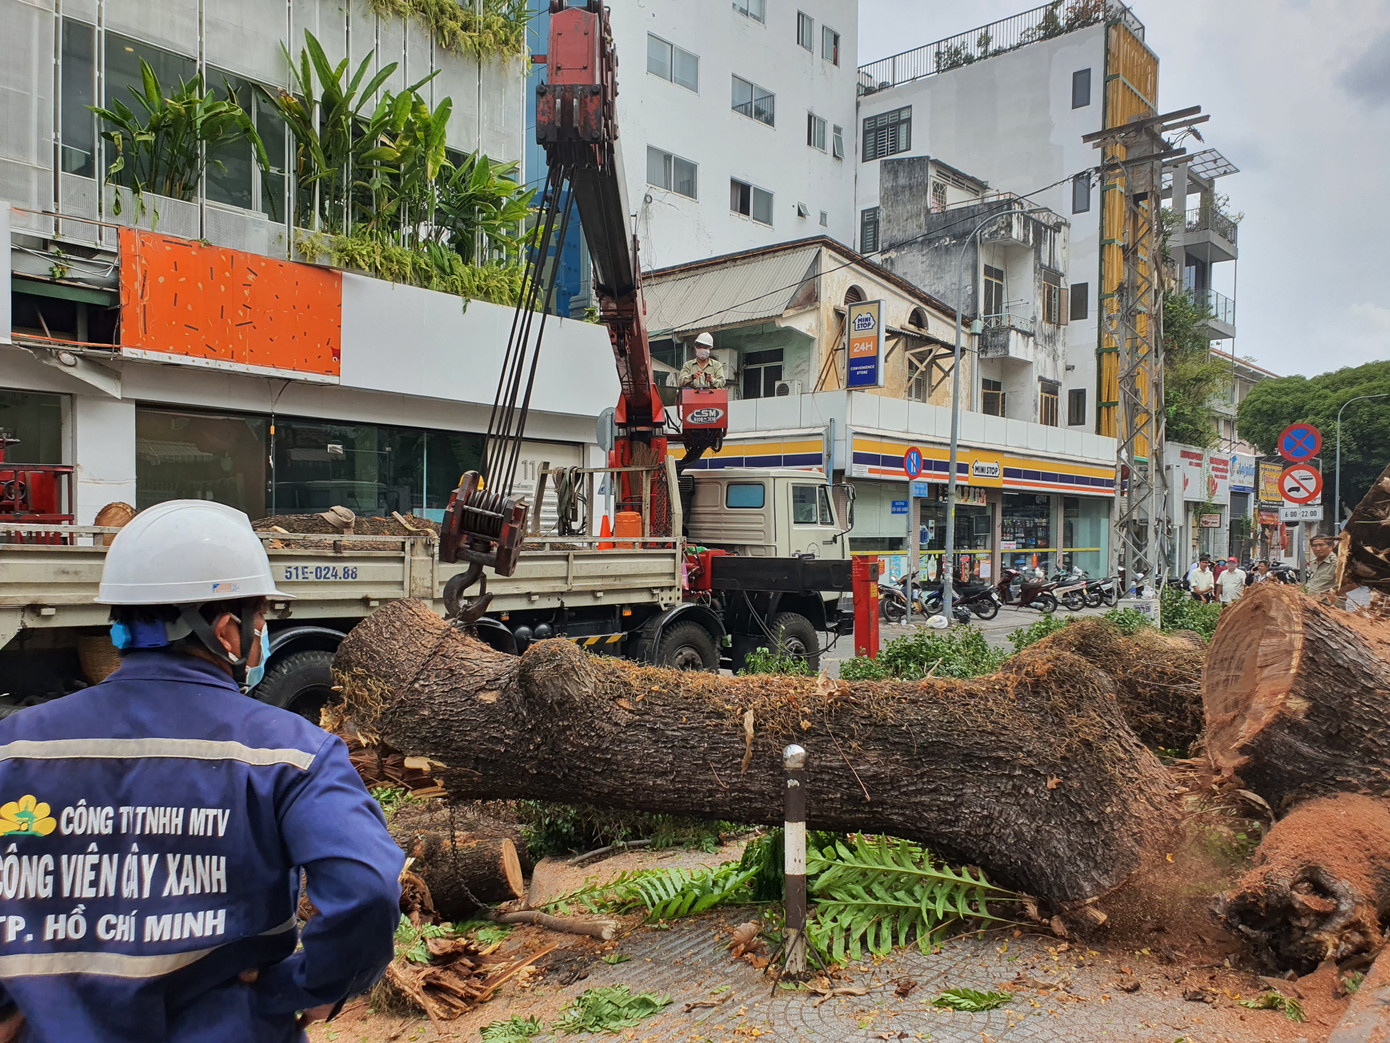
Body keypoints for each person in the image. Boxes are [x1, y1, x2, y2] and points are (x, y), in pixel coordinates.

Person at [0, 501, 403, 1043]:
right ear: (227, 632)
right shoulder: (294, 753)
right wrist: (304, 986)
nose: (258, 639)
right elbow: (369, 888)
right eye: (260, 623)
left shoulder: (14, 747)